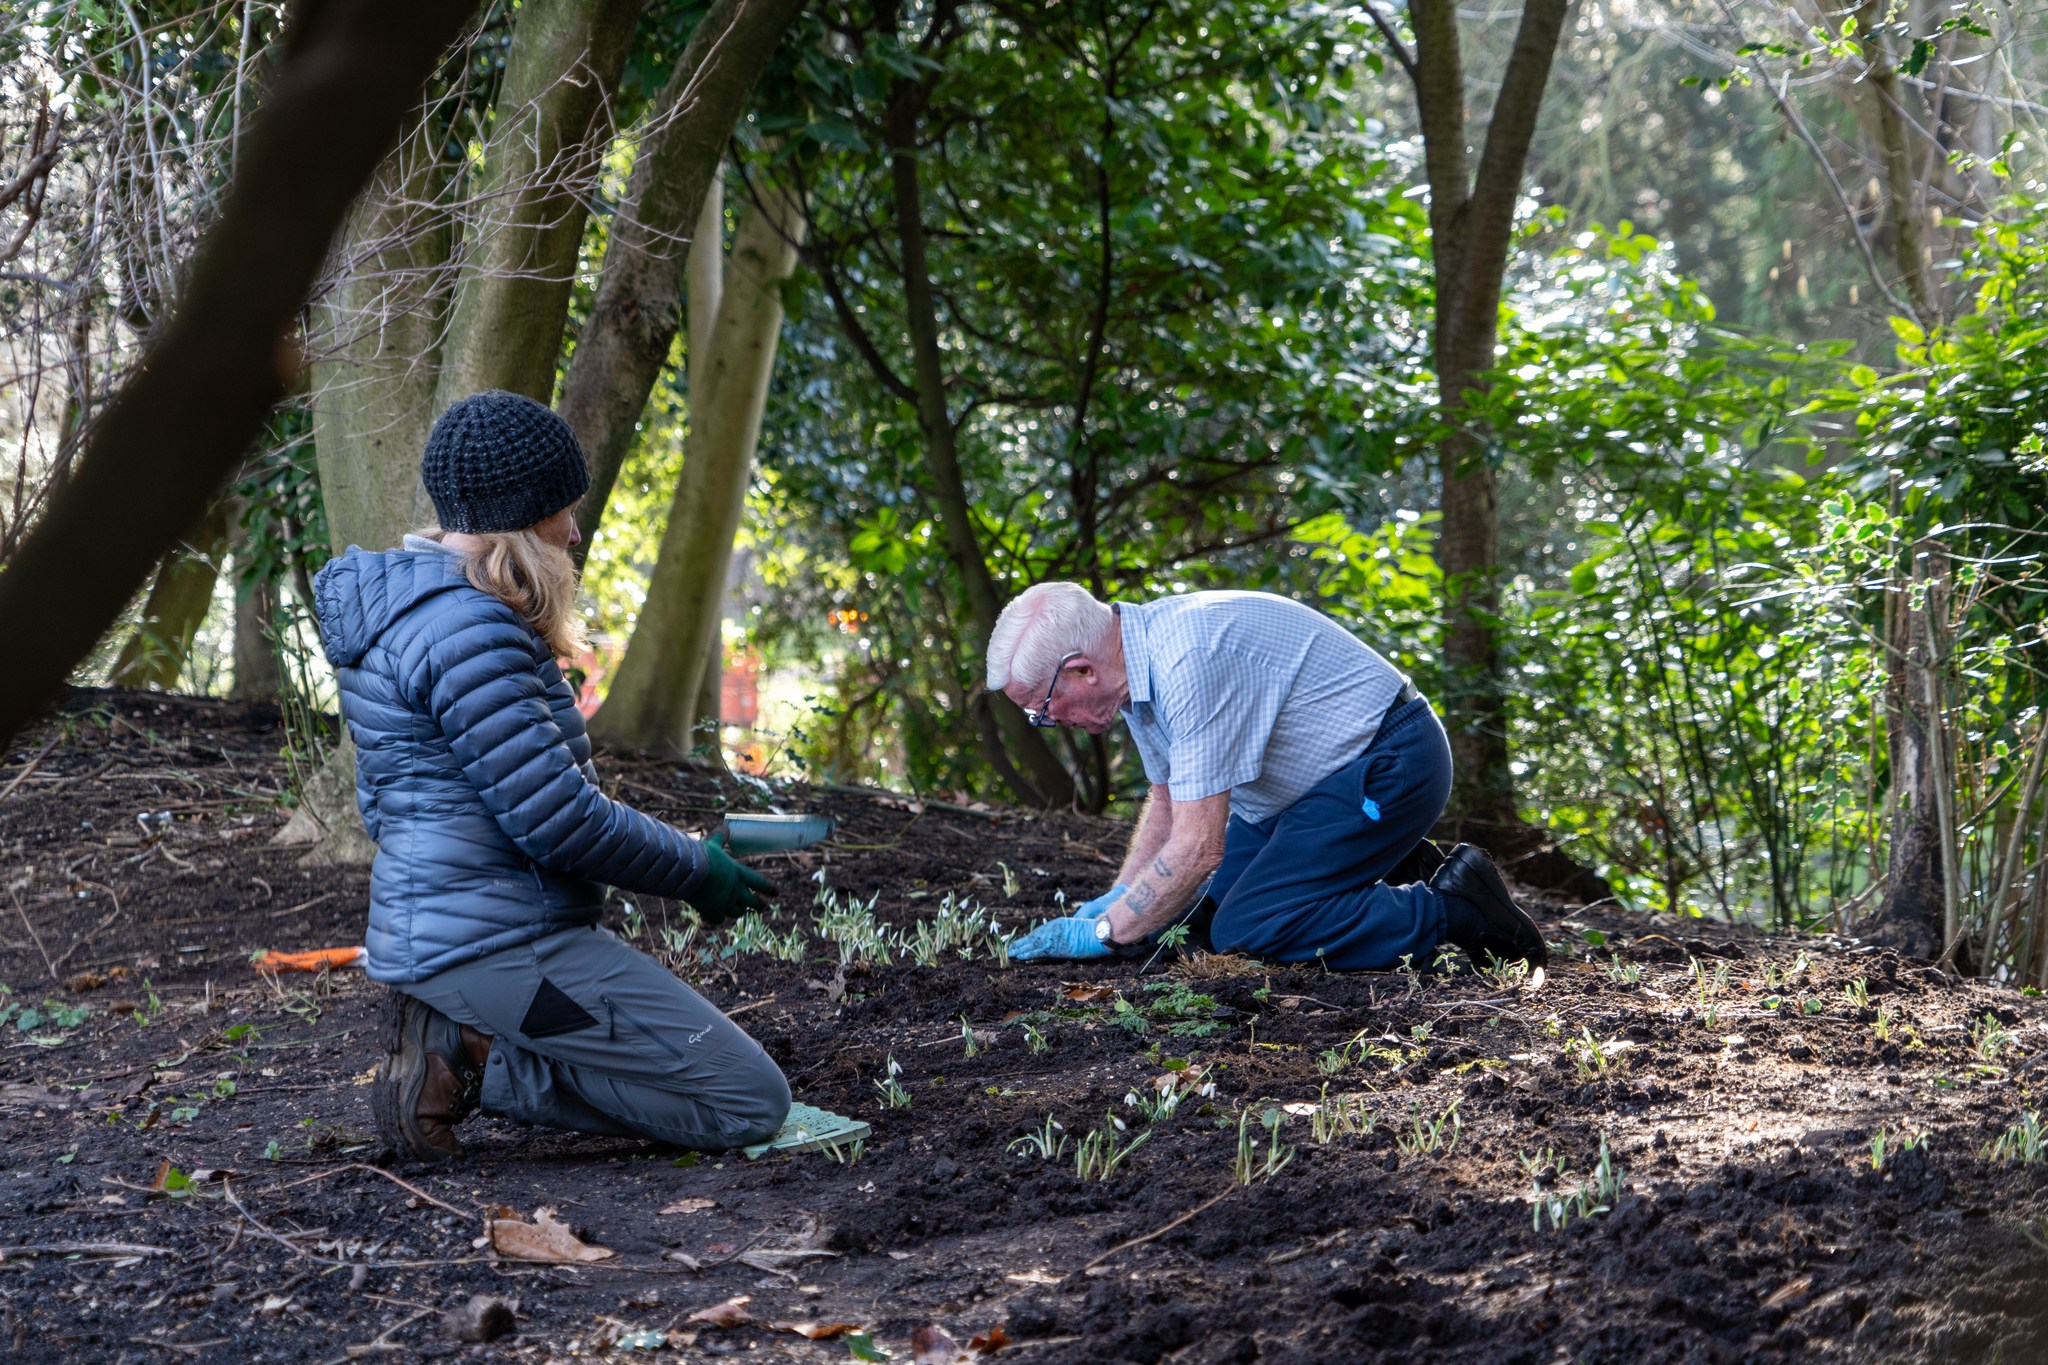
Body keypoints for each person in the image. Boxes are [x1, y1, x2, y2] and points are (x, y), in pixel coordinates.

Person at [312, 390, 790, 1162]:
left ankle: (466, 1043)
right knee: (748, 1101)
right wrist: (697, 870)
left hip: (472, 939)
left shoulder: (418, 613)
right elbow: (558, 818)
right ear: (516, 516)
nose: (574, 530)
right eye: (559, 513)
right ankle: (470, 1058)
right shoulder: (467, 628)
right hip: (503, 952)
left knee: (712, 1084)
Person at [986, 583, 1547, 971]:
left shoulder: (1189, 660)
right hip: (1308, 794)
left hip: (1392, 762)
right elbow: (1165, 804)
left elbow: (1197, 847)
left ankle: (1456, 909)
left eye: (1042, 706)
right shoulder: (1135, 674)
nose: (1047, 721)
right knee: (1193, 914)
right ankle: (1388, 861)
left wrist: (1108, 932)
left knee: (1250, 928)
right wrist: (1121, 898)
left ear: (1081, 669)